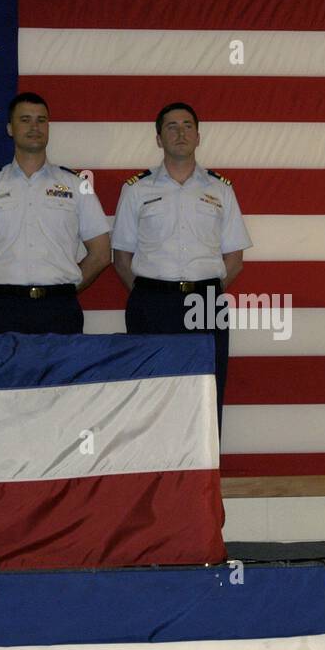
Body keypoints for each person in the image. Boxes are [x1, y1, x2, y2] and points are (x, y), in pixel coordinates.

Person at [111, 103, 252, 431]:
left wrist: (203, 292)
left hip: (205, 301)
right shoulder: (136, 189)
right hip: (151, 300)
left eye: (187, 126)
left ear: (198, 136)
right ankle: (155, 476)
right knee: (150, 390)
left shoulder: (220, 189)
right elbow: (121, 259)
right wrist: (158, 294)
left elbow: (234, 260)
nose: (180, 133)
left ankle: (202, 477)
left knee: (206, 390)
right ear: (158, 138)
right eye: (171, 127)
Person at [0, 92, 110, 333]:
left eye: (41, 120)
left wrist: (69, 287)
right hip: (2, 309)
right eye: (25, 119)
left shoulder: (77, 186)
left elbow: (100, 252)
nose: (34, 127)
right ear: (10, 128)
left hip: (59, 308)